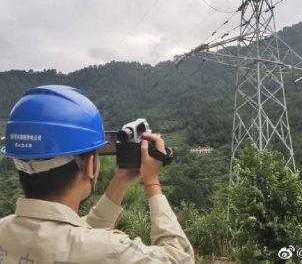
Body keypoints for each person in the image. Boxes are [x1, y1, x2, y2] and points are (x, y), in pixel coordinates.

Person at [0, 85, 194, 264]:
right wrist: (152, 183)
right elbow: (182, 258)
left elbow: (76, 233)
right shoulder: (113, 251)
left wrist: (120, 181)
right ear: (90, 164)